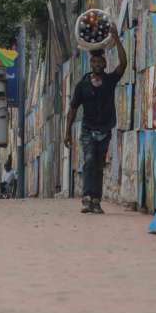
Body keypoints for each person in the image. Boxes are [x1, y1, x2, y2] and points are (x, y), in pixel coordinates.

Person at [64, 29, 128, 214]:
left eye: (100, 62)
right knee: (90, 159)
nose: (97, 64)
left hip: (105, 129)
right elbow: (73, 110)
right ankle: (86, 197)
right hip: (88, 130)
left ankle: (96, 200)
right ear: (91, 64)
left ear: (104, 63)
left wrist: (116, 40)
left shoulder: (110, 81)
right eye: (94, 62)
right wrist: (67, 132)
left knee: (99, 164)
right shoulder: (82, 85)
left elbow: (123, 64)